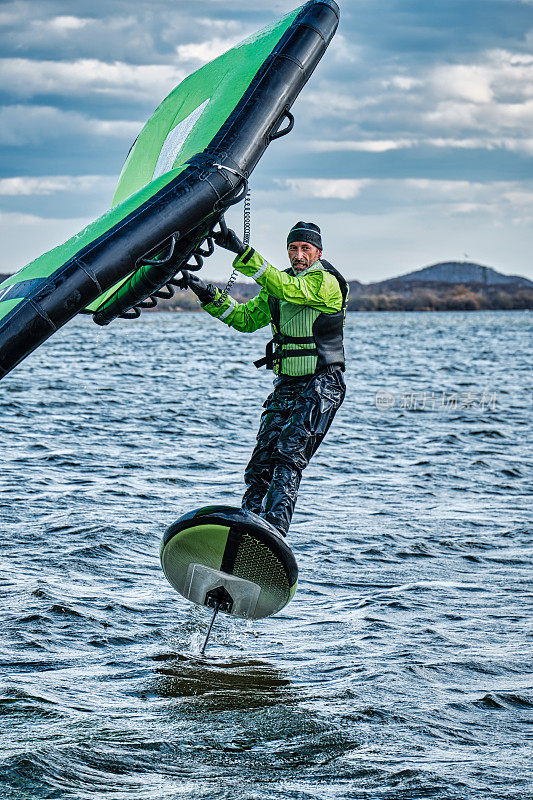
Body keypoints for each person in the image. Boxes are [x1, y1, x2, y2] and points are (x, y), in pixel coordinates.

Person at [180, 221, 348, 537]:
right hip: (286, 385)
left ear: (318, 252)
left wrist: (243, 252)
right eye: (293, 248)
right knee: (259, 467)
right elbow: (244, 319)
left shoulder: (325, 283)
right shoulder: (277, 286)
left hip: (322, 383)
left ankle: (273, 535)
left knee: (288, 455)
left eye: (305, 249)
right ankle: (246, 531)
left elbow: (291, 291)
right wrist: (207, 294)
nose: (298, 255)